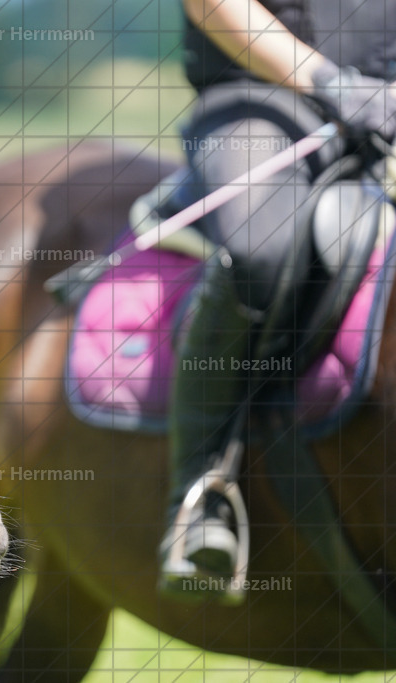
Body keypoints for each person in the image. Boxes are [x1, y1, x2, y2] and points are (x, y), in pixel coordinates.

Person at [160, 0, 396, 597]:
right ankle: (203, 490)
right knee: (260, 252)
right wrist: (332, 83)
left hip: (390, 103)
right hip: (263, 105)